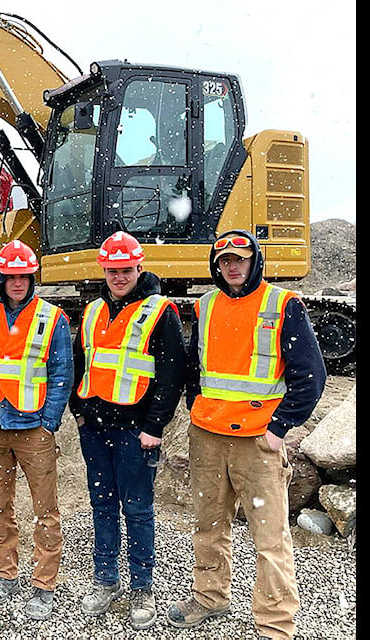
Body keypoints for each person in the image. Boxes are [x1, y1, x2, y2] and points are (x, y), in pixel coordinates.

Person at [167, 230, 326, 640]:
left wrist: (279, 430)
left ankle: (275, 624)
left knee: (269, 537)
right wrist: (195, 407)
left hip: (257, 443)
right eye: (224, 261)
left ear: (254, 260)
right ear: (216, 266)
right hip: (208, 436)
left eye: (239, 259)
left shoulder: (282, 304)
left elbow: (311, 377)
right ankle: (210, 596)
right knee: (208, 525)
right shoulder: (205, 307)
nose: (232, 267)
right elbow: (194, 367)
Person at [69, 231, 185, 630]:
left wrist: (155, 426)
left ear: (139, 267)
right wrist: (79, 412)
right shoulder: (94, 311)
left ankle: (141, 586)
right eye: (112, 271)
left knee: (136, 509)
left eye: (125, 270)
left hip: (136, 432)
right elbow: (80, 363)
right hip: (95, 428)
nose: (119, 277)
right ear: (104, 270)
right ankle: (106, 580)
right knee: (102, 506)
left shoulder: (160, 311)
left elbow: (172, 374)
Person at [0, 240, 73, 620]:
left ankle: (44, 583)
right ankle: (5, 574)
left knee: (45, 510)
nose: (17, 282)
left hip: (33, 428)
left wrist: (50, 423)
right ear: (1, 278)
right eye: (11, 276)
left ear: (33, 277)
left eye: (23, 276)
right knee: (0, 506)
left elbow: (61, 373)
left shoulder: (52, 318)